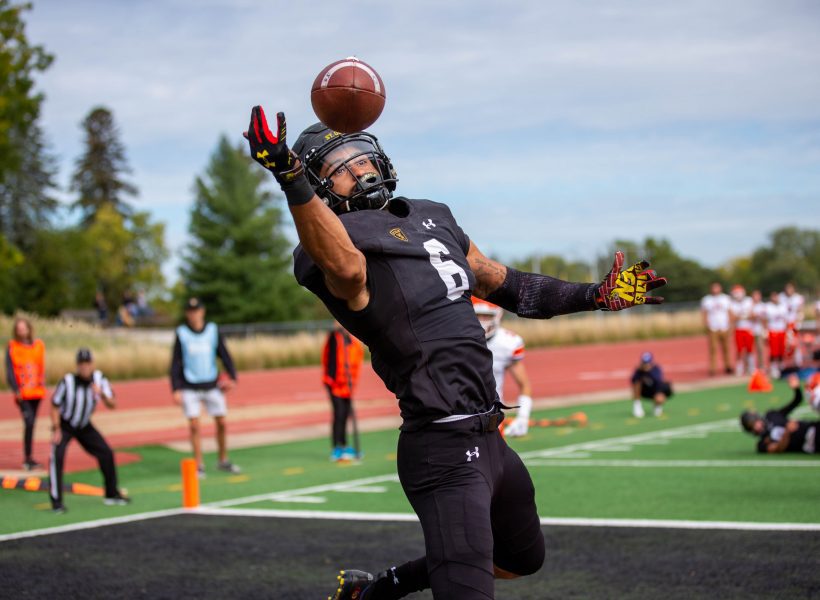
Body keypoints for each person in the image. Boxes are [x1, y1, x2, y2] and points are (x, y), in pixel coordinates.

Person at [245, 107, 667, 600]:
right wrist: (289, 176)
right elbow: (347, 270)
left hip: (492, 435)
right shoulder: (331, 247)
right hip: (442, 448)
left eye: (362, 157)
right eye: (340, 166)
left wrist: (594, 295)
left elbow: (505, 283)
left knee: (519, 559)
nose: (359, 169)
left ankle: (375, 593)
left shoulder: (432, 214)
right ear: (319, 187)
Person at [49, 348, 130, 513]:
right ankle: (57, 502)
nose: (84, 367)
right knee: (57, 456)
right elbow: (55, 405)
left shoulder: (100, 379)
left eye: (87, 363)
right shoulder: (67, 381)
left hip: (85, 425)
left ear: (92, 364)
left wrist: (102, 394)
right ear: (77, 365)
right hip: (66, 424)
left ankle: (111, 494)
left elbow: (112, 405)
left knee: (106, 453)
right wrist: (56, 428)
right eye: (81, 364)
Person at [170, 297, 240, 477]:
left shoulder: (212, 330)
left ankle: (223, 460)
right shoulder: (182, 333)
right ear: (187, 314)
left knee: (222, 422)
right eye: (190, 311)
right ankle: (199, 464)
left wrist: (232, 376)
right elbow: (175, 362)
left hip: (211, 384)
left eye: (196, 310)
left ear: (202, 311)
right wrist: (175, 388)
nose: (193, 314)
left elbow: (224, 354)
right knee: (194, 425)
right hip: (189, 385)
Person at [471, 297, 533, 437]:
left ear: (497, 315)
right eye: (477, 315)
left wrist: (523, 417)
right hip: (457, 417)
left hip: (491, 418)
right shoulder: (455, 339)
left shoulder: (508, 343)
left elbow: (524, 385)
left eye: (486, 315)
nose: (482, 320)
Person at [740, 374, 817, 454]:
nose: (756, 428)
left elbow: (797, 401)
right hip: (809, 442)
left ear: (758, 418)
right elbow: (777, 449)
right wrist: (787, 432)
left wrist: (796, 388)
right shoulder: (762, 444)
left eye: (755, 423)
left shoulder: (772, 415)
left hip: (811, 427)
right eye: (752, 427)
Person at [6, 317, 46, 471]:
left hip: (36, 392)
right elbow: (10, 371)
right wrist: (16, 390)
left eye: (24, 328)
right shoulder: (12, 347)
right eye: (19, 329)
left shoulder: (38, 346)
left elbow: (41, 367)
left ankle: (29, 458)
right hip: (23, 394)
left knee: (32, 424)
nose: (22, 331)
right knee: (28, 422)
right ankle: (27, 458)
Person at [322, 322, 365, 461]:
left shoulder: (352, 342)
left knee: (346, 414)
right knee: (339, 414)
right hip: (334, 384)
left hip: (348, 386)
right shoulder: (335, 337)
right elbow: (331, 357)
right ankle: (337, 448)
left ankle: (344, 445)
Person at [700, 282, 732, 376]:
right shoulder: (707, 300)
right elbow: (704, 313)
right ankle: (713, 368)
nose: (715, 290)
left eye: (717, 288)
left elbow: (729, 311)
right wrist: (706, 324)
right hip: (713, 327)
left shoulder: (725, 298)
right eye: (713, 288)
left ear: (720, 288)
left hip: (724, 326)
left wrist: (730, 324)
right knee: (713, 349)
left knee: (726, 348)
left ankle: (728, 366)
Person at [630, 351, 672, 418]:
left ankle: (657, 406)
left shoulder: (656, 369)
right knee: (637, 383)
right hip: (645, 391)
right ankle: (637, 405)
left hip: (656, 390)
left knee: (659, 398)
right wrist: (639, 372)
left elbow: (658, 381)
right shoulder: (639, 370)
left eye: (648, 363)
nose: (646, 365)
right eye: (644, 363)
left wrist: (649, 371)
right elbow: (633, 380)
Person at [729, 285, 755, 376]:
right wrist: (744, 316)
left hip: (748, 329)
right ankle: (740, 368)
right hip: (739, 329)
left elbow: (752, 315)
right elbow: (732, 317)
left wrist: (741, 316)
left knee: (750, 349)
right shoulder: (732, 303)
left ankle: (751, 367)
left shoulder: (749, 301)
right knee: (739, 350)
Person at [764, 291, 789, 378]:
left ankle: (781, 367)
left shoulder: (783, 306)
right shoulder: (768, 307)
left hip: (781, 330)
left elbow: (786, 319)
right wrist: (766, 332)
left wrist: (788, 331)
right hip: (773, 330)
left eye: (776, 297)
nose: (775, 298)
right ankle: (774, 368)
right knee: (774, 351)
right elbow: (765, 320)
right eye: (773, 297)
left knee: (782, 350)